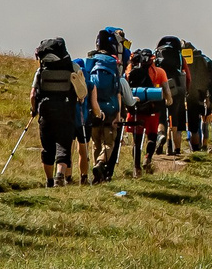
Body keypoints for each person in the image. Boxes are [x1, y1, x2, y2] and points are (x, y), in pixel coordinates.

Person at [29, 37, 87, 187]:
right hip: (66, 110)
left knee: (47, 147)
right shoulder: (73, 67)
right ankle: (60, 174)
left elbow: (33, 95)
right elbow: (82, 93)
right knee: (64, 144)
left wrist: (34, 110)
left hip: (46, 111)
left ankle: (49, 181)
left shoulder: (41, 70)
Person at [81, 34, 127, 183]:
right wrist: (118, 114)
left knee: (96, 143)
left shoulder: (91, 60)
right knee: (109, 143)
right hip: (110, 109)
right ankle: (100, 163)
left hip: (93, 108)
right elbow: (117, 91)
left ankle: (96, 173)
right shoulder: (113, 63)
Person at [124, 45, 167, 174]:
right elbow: (165, 91)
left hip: (135, 109)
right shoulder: (159, 72)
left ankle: (136, 168)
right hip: (151, 110)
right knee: (152, 136)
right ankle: (147, 157)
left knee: (136, 141)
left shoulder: (130, 72)